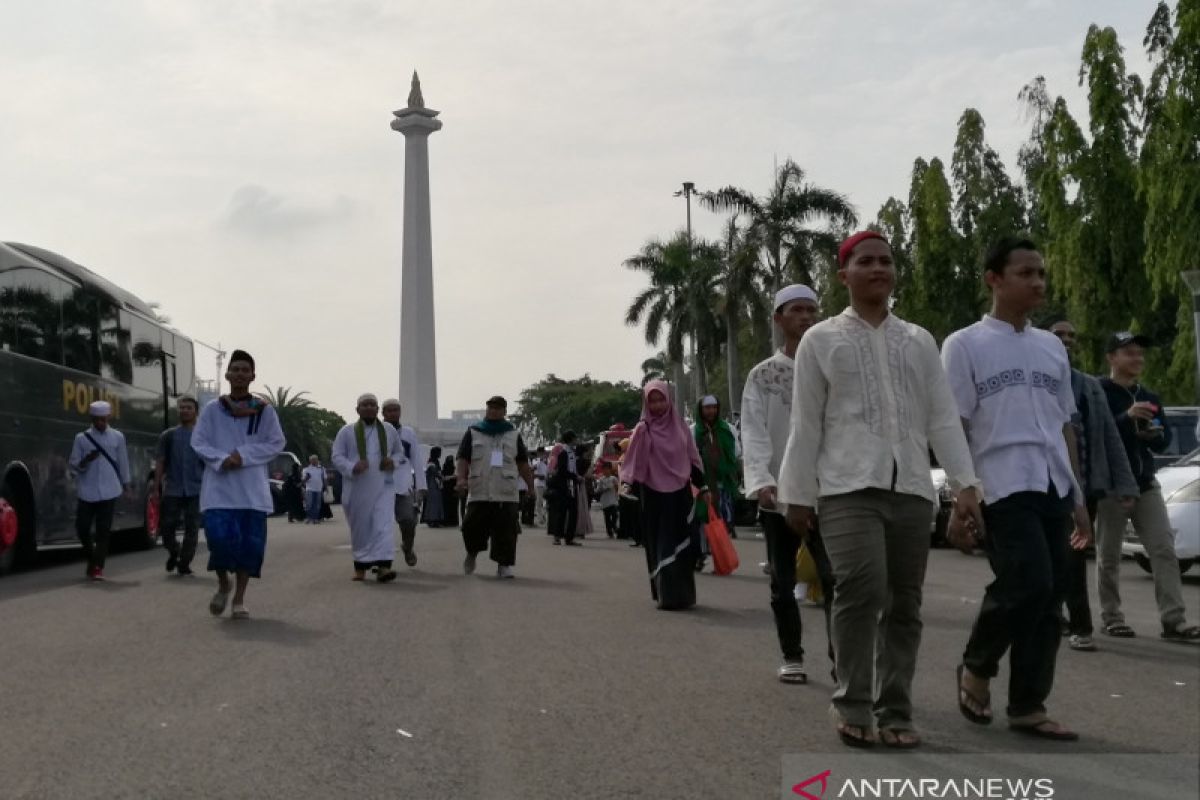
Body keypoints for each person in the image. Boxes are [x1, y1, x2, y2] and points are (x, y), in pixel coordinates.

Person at [779, 231, 983, 749]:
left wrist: (965, 485)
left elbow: (941, 419)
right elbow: (806, 424)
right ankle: (852, 702)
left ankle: (895, 708)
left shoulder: (917, 340)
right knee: (862, 589)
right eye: (865, 262)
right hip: (847, 487)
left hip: (912, 486)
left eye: (886, 262)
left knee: (906, 602)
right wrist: (797, 494)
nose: (878, 269)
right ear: (843, 275)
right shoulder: (821, 341)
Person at [942, 237, 1092, 743]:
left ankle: (1029, 704)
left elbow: (1065, 424)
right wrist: (962, 495)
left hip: (1051, 480)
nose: (1038, 282)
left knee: (1052, 596)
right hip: (1000, 485)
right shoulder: (964, 344)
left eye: (1041, 273)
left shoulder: (1051, 346)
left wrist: (1077, 497)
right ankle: (977, 665)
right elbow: (955, 425)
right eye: (1026, 273)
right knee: (1027, 580)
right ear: (994, 279)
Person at [741, 283, 836, 685]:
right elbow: (755, 430)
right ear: (779, 319)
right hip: (779, 494)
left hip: (828, 491)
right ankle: (792, 655)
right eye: (797, 310)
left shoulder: (832, 365)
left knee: (834, 578)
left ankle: (841, 658)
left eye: (812, 310)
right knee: (783, 580)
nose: (807, 317)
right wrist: (762, 480)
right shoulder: (764, 375)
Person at [1095, 332, 1199, 642]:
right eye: (1129, 353)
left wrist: (1154, 435)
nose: (1137, 358)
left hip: (1145, 483)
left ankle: (1174, 621)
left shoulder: (1150, 396)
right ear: (1112, 357)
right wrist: (1126, 418)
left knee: (1164, 550)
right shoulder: (1099, 391)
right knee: (1109, 554)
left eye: (1140, 353)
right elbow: (1095, 434)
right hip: (1111, 484)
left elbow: (1165, 440)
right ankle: (1111, 617)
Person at [1047, 320, 1139, 651]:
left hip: (1085, 486)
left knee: (1072, 555)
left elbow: (1110, 438)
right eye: (1060, 335)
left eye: (1072, 335)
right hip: (1044, 483)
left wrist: (1125, 483)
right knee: (1051, 557)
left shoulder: (1087, 386)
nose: (1068, 340)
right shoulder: (1035, 380)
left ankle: (1081, 626)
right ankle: (1054, 616)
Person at [191, 349, 286, 619]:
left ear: (253, 376)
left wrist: (242, 456)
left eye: (246, 370)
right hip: (219, 491)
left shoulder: (264, 411)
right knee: (218, 541)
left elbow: (276, 443)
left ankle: (239, 599)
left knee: (249, 548)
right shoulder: (212, 410)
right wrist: (222, 459)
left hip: (251, 493)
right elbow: (198, 442)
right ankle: (223, 583)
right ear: (228, 374)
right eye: (237, 369)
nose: (241, 374)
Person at [621, 380, 708, 610]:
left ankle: (684, 595)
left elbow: (692, 456)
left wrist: (703, 486)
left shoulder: (679, 426)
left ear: (668, 400)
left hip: (680, 493)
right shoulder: (643, 429)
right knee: (660, 544)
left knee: (683, 542)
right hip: (653, 495)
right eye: (653, 401)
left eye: (661, 400)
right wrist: (627, 483)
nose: (658, 406)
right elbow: (633, 461)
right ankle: (666, 595)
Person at [453, 396, 535, 578]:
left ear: (505, 412)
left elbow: (522, 463)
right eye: (491, 408)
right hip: (479, 489)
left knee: (506, 531)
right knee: (470, 527)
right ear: (486, 410)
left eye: (498, 408)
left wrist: (530, 486)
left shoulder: (513, 434)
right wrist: (461, 479)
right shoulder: (474, 432)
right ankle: (472, 554)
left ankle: (503, 565)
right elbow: (463, 458)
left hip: (506, 491)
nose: (494, 411)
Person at [332, 394, 403, 582]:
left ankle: (384, 567)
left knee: (383, 526)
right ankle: (360, 566)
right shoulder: (346, 432)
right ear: (358, 409)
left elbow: (398, 452)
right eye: (365, 405)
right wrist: (352, 467)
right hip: (357, 488)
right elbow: (337, 456)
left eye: (373, 405)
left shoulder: (388, 430)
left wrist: (392, 462)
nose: (370, 408)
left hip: (383, 487)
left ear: (378, 409)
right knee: (361, 528)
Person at [68, 400, 132, 580]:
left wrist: (126, 486)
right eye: (97, 420)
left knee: (103, 531)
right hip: (87, 490)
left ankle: (97, 567)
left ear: (108, 417)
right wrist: (86, 460)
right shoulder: (81, 438)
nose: (100, 423)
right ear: (92, 418)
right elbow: (74, 464)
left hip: (110, 489)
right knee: (82, 528)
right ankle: (92, 558)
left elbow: (123, 462)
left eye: (103, 420)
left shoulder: (117, 437)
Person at [154, 395, 205, 576]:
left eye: (189, 408)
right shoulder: (168, 436)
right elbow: (160, 461)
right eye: (182, 408)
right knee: (167, 527)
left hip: (196, 489)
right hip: (173, 489)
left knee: (192, 528)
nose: (184, 411)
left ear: (196, 412)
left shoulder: (203, 436)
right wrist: (156, 488)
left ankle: (184, 562)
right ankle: (173, 551)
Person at [692, 395, 740, 573]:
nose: (711, 411)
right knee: (703, 520)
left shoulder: (727, 429)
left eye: (714, 407)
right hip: (702, 484)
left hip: (723, 483)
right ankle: (700, 556)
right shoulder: (694, 431)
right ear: (701, 410)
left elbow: (736, 453)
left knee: (722, 521)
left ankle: (721, 558)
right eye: (707, 408)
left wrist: (723, 464)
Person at [381, 399, 428, 567]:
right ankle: (381, 562)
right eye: (390, 410)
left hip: (403, 485)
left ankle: (408, 547)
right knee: (380, 525)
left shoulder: (408, 433)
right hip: (381, 486)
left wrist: (421, 487)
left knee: (409, 520)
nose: (393, 413)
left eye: (396, 410)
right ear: (383, 413)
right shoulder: (376, 433)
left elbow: (416, 459)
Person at [547, 432, 580, 546]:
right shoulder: (563, 453)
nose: (577, 440)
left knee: (573, 512)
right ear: (571, 439)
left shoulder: (572, 452)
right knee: (562, 512)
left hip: (572, 486)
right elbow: (562, 471)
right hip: (564, 486)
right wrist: (575, 477)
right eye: (575, 438)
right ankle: (557, 536)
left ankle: (569, 537)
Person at [615, 438, 642, 547]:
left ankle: (636, 536)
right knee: (629, 513)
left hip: (630, 488)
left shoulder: (630, 457)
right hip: (625, 487)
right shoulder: (626, 456)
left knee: (633, 513)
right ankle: (633, 536)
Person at [574, 443, 595, 538]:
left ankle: (573, 529)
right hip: (582, 485)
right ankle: (581, 529)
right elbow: (589, 475)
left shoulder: (573, 460)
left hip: (573, 484)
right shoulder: (587, 462)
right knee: (582, 507)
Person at [421, 448, 445, 527]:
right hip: (432, 485)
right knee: (433, 503)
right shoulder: (431, 462)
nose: (440, 454)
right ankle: (432, 520)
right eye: (439, 452)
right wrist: (441, 476)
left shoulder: (435, 461)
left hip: (435, 485)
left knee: (435, 503)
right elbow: (435, 472)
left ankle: (435, 520)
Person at [595, 462, 620, 537]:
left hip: (613, 500)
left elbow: (617, 488)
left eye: (607, 469)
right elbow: (597, 490)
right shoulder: (601, 479)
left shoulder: (613, 478)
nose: (606, 471)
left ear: (610, 469)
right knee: (607, 517)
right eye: (604, 469)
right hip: (605, 501)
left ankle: (613, 525)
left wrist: (617, 493)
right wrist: (604, 489)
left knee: (615, 514)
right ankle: (609, 532)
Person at [301, 455, 325, 524]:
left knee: (317, 505)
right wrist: (306, 478)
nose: (315, 461)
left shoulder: (321, 469)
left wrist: (326, 487)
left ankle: (315, 518)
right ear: (310, 461)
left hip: (318, 489)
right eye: (313, 460)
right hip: (310, 489)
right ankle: (309, 518)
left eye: (316, 459)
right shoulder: (306, 469)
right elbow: (303, 481)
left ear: (317, 460)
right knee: (309, 504)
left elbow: (324, 478)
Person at [441, 455, 460, 527]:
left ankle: (449, 521)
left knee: (449, 506)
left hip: (449, 490)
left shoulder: (447, 468)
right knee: (451, 506)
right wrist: (452, 477)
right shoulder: (451, 468)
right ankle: (452, 522)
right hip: (450, 490)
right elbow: (443, 478)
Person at [533, 448, 549, 526]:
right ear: (539, 453)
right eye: (543, 453)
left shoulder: (546, 462)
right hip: (538, 484)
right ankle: (540, 518)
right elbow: (531, 470)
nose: (544, 454)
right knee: (539, 502)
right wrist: (538, 476)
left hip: (545, 484)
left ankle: (543, 515)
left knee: (546, 501)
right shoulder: (536, 461)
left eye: (545, 453)